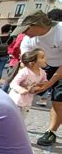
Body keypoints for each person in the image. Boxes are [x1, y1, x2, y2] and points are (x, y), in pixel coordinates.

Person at [15, 10, 62, 146]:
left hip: (60, 65)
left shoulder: (60, 32)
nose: (23, 33)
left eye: (26, 29)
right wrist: (27, 80)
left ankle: (51, 132)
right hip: (44, 65)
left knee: (58, 99)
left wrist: (49, 83)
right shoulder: (28, 39)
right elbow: (25, 62)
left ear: (37, 25)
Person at [8, 48, 47, 125]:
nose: (45, 59)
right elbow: (13, 83)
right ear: (32, 63)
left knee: (21, 120)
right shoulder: (24, 72)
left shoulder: (42, 73)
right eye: (42, 57)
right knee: (11, 119)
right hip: (16, 100)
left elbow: (44, 82)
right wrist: (20, 89)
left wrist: (40, 87)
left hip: (27, 102)